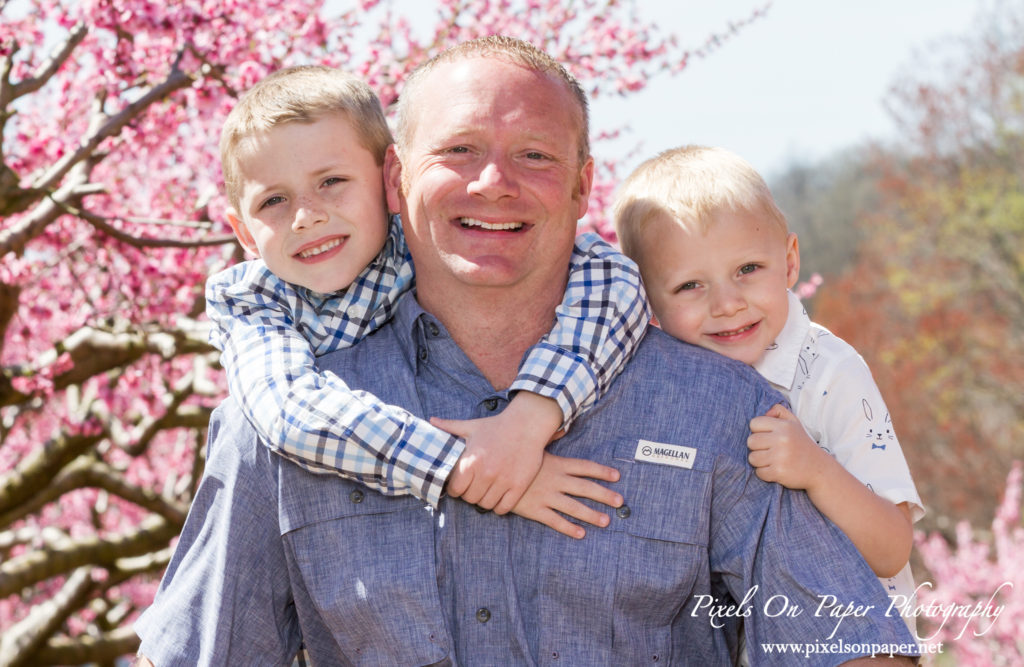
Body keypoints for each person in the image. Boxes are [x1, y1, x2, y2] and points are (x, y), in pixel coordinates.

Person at [135, 37, 919, 665]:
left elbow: (846, 644)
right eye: (460, 151)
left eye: (534, 156)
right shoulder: (277, 426)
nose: (495, 183)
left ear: (583, 188)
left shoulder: (723, 410)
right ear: (396, 177)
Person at [202, 65, 649, 536]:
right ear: (244, 233)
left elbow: (613, 280)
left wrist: (533, 415)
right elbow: (291, 412)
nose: (306, 217)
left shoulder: (426, 242)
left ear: (390, 183)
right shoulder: (252, 304)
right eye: (273, 201)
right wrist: (470, 466)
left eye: (332, 181)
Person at [612, 145, 924, 635]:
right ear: (647, 299)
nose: (728, 303)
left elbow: (891, 549)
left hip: (846, 642)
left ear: (791, 263)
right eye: (691, 285)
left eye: (748, 270)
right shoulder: (657, 394)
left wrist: (817, 470)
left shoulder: (830, 374)